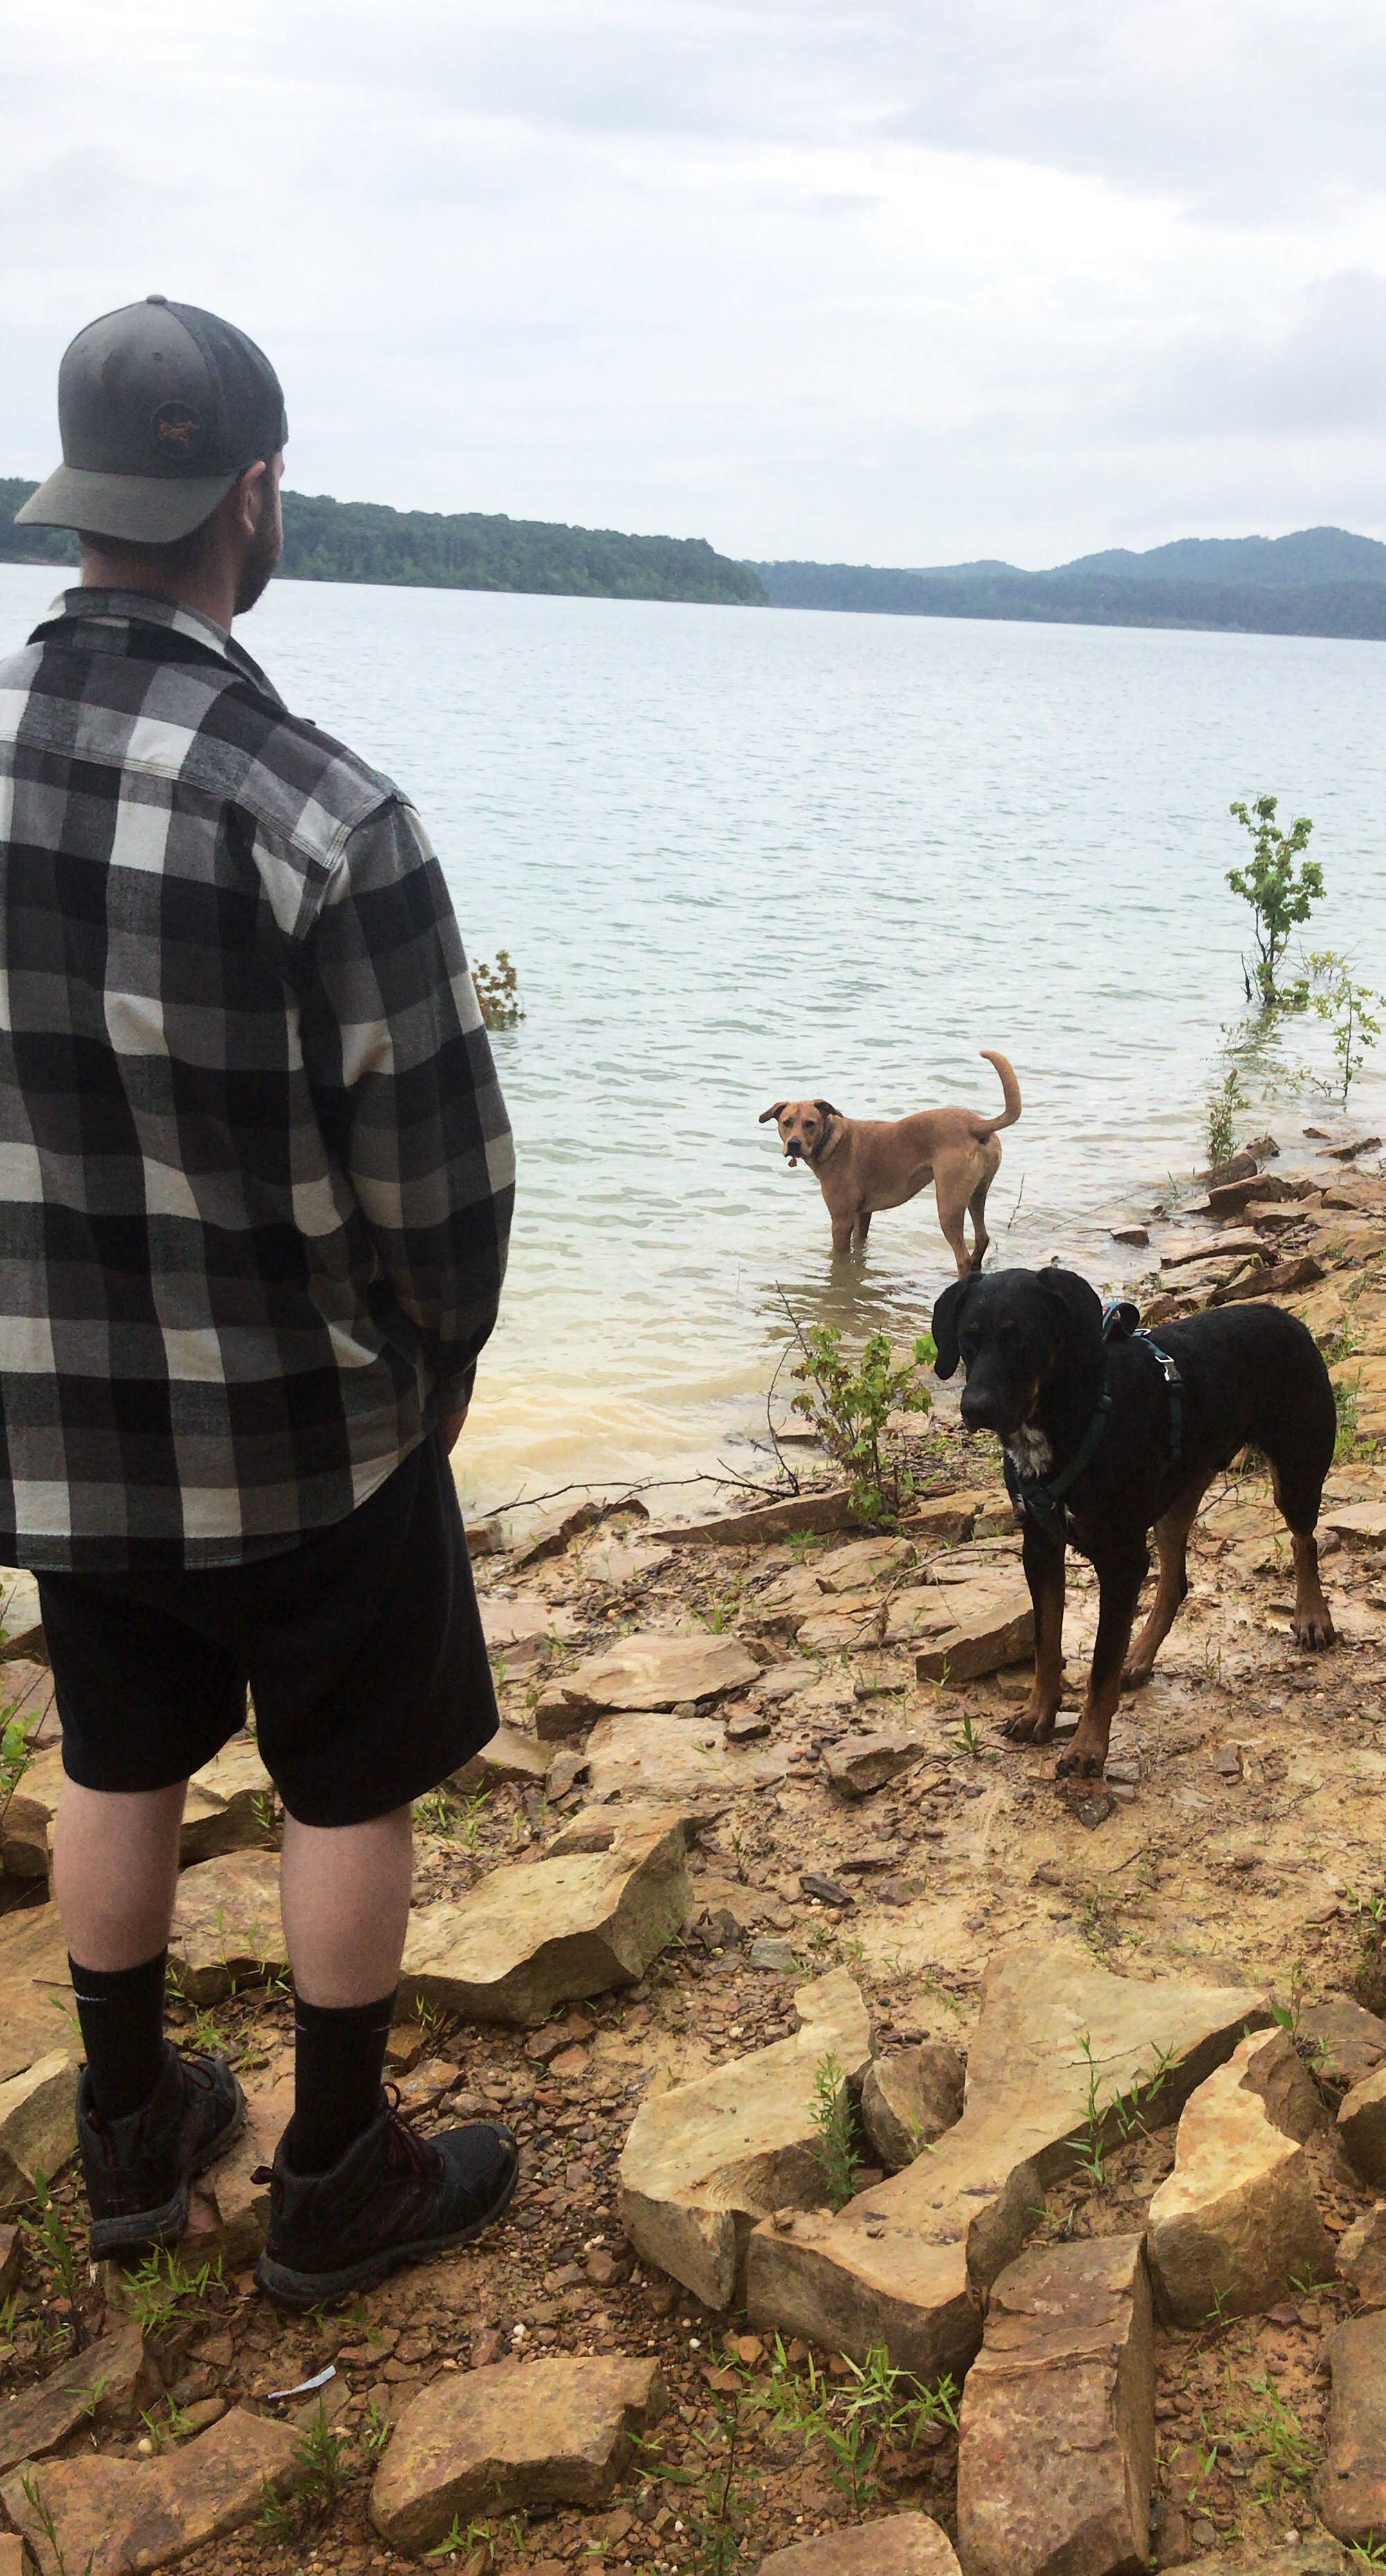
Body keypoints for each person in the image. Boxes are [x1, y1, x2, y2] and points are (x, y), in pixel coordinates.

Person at [1, 297, 518, 2308]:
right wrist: (433, 1357)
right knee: (342, 1768)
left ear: (78, 504)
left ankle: (129, 2132)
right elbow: (443, 1178)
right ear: (252, 495)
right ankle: (333, 2168)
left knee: (114, 1744)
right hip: (308, 1426)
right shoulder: (325, 810)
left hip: (56, 1421)